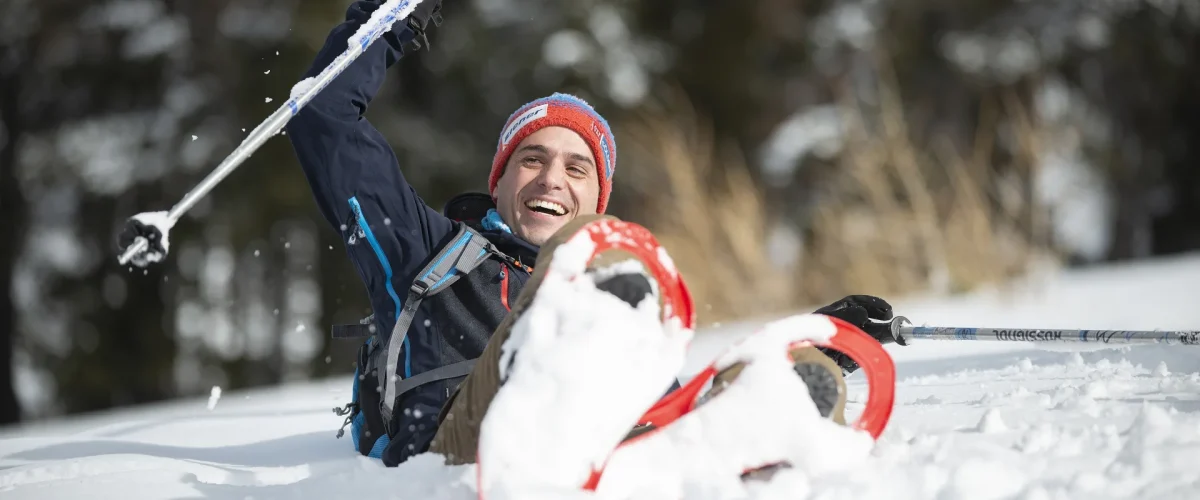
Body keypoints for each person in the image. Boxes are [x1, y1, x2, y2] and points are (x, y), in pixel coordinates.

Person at [279, 0, 903, 468]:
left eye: (576, 168)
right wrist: (383, 20)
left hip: (600, 464)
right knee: (595, 275)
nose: (551, 179)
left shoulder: (616, 295)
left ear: (594, 197)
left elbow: (672, 412)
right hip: (461, 465)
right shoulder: (427, 251)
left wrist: (824, 340)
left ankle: (791, 403)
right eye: (531, 159)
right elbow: (325, 117)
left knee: (750, 372)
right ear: (498, 180)